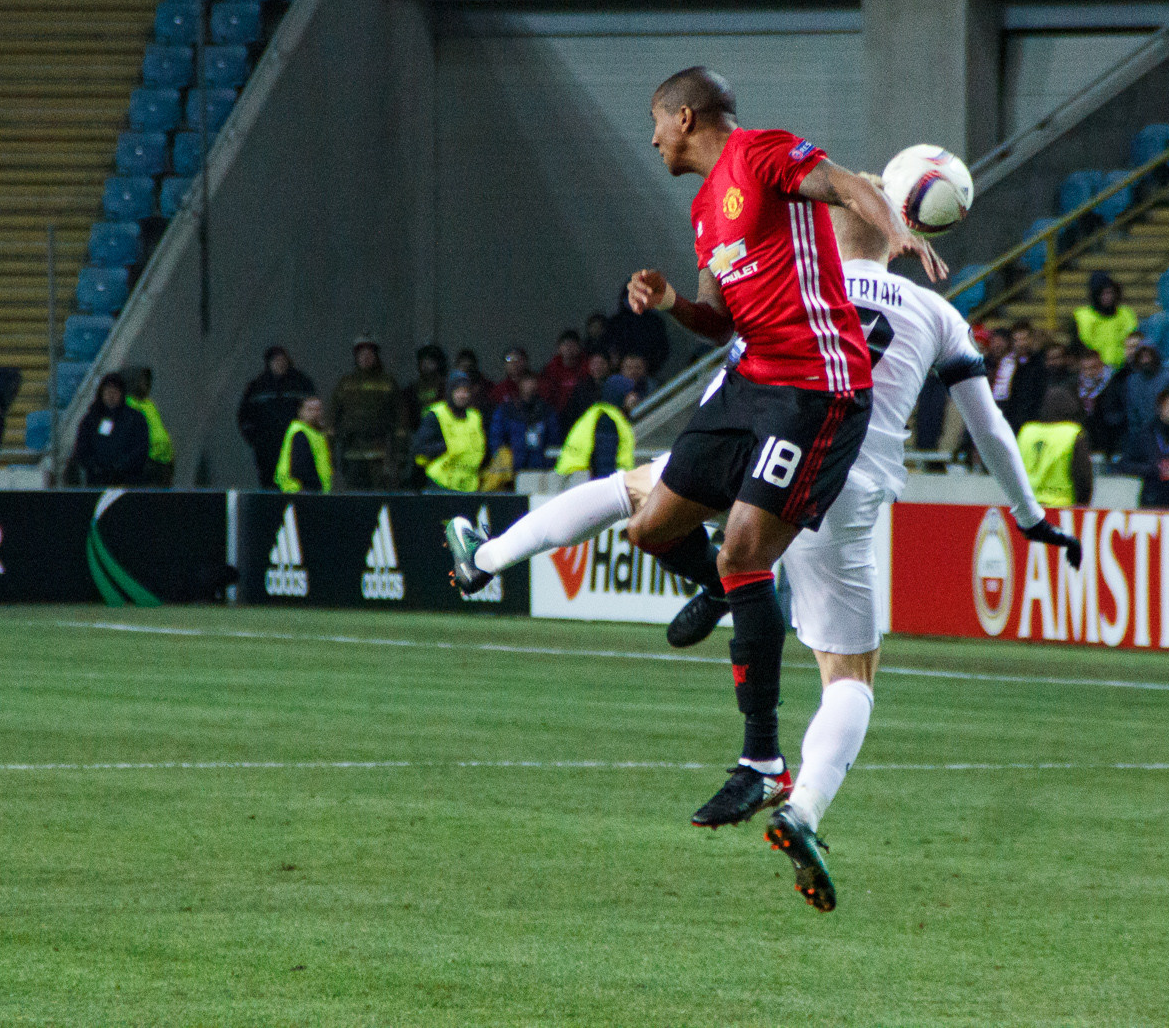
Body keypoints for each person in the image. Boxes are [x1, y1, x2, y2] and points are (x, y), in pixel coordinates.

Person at [447, 170, 1075, 912]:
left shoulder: (794, 285)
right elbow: (989, 426)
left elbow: (732, 364)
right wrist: (1030, 515)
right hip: (850, 484)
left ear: (830, 226)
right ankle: (803, 808)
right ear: (901, 235)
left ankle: (486, 558)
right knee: (849, 676)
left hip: (763, 447)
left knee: (632, 491)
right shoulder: (934, 312)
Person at [444, 65, 951, 860]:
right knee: (648, 528)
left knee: (743, 550)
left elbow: (850, 185)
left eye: (656, 122)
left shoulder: (762, 154)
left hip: (816, 388)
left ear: (686, 116)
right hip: (749, 383)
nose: (650, 138)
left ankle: (761, 759)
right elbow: (721, 322)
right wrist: (673, 301)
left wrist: (893, 228)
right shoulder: (703, 213)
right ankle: (727, 592)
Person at [237, 346, 314, 488]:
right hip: (267, 450)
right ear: (269, 363)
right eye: (276, 360)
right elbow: (245, 416)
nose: (280, 363)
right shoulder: (257, 387)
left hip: (296, 447)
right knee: (269, 485)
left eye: (282, 360)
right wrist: (256, 440)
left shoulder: (301, 383)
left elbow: (313, 410)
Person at [330, 335, 401, 490]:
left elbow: (400, 418)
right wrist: (331, 449)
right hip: (351, 452)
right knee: (354, 498)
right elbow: (332, 417)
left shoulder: (388, 382)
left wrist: (399, 453)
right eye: (361, 354)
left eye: (369, 354)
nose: (365, 358)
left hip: (380, 453)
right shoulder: (345, 383)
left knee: (380, 497)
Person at [1016, 383, 1094, 507]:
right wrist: (1082, 504)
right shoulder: (1072, 433)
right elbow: (1082, 476)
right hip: (1062, 508)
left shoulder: (1026, 431)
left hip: (1028, 507)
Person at [554, 375, 639, 480]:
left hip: (576, 476)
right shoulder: (607, 420)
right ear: (619, 394)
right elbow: (605, 462)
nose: (634, 398)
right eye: (630, 394)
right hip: (584, 479)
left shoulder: (603, 414)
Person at [73, 372, 150, 487]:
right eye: (108, 391)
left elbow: (141, 449)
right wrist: (96, 467)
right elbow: (82, 448)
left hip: (127, 483)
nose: (111, 395)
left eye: (115, 392)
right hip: (97, 482)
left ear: (121, 393)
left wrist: (121, 466)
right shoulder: (91, 419)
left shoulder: (134, 418)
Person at [413, 370, 486, 492]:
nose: (462, 395)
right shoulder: (436, 415)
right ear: (450, 392)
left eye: (466, 391)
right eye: (458, 391)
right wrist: (445, 447)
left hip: (469, 485)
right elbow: (421, 450)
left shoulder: (475, 417)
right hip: (441, 483)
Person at [487, 371, 562, 478]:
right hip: (511, 471)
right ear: (519, 384)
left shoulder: (546, 411)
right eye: (526, 382)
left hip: (539, 470)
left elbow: (554, 442)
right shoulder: (507, 410)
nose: (529, 386)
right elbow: (496, 439)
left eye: (532, 382)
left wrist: (548, 464)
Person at [123, 366, 175, 486]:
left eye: (146, 380)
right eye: (141, 380)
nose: (145, 383)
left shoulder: (149, 404)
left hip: (163, 462)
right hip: (146, 463)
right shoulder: (128, 403)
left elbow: (159, 429)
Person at [1073, 271, 1136, 367]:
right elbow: (1076, 348)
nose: (1108, 297)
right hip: (1094, 369)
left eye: (1110, 293)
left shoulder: (1126, 314)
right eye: (1103, 294)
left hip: (1124, 368)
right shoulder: (1081, 317)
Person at [275, 396, 334, 493]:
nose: (315, 414)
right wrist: (314, 488)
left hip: (307, 492)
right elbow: (300, 468)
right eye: (310, 410)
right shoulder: (300, 432)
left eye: (318, 410)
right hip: (299, 491)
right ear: (301, 412)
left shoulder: (315, 434)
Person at [538, 330, 593, 413]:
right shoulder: (550, 370)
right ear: (559, 348)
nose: (569, 348)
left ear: (579, 348)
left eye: (573, 345)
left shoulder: (588, 367)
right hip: (557, 415)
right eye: (566, 344)